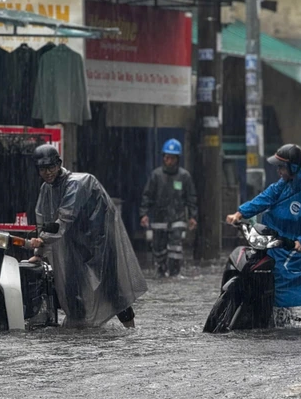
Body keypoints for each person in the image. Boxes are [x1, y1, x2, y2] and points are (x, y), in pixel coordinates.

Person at [225, 144, 301, 324]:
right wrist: (241, 212)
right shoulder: (288, 181)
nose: (278, 171)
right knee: (277, 255)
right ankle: (277, 311)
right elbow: (268, 196)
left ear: (293, 167)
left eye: (281, 167)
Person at [29, 144, 147, 328]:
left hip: (99, 242)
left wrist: (43, 240)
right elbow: (43, 219)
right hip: (73, 243)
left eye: (51, 167)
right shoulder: (47, 189)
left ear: (59, 164)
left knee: (111, 287)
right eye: (43, 169)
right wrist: (39, 251)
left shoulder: (77, 183)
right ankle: (79, 330)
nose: (48, 172)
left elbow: (65, 217)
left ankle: (130, 329)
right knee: (71, 287)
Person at [139, 138, 198, 278]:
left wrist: (192, 216)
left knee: (175, 248)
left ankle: (174, 273)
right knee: (159, 249)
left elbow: (191, 198)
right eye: (166, 157)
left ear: (177, 158)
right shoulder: (156, 175)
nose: (168, 160)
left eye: (171, 158)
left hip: (177, 219)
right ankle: (161, 271)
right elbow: (147, 196)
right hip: (159, 218)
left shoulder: (184, 177)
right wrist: (144, 214)